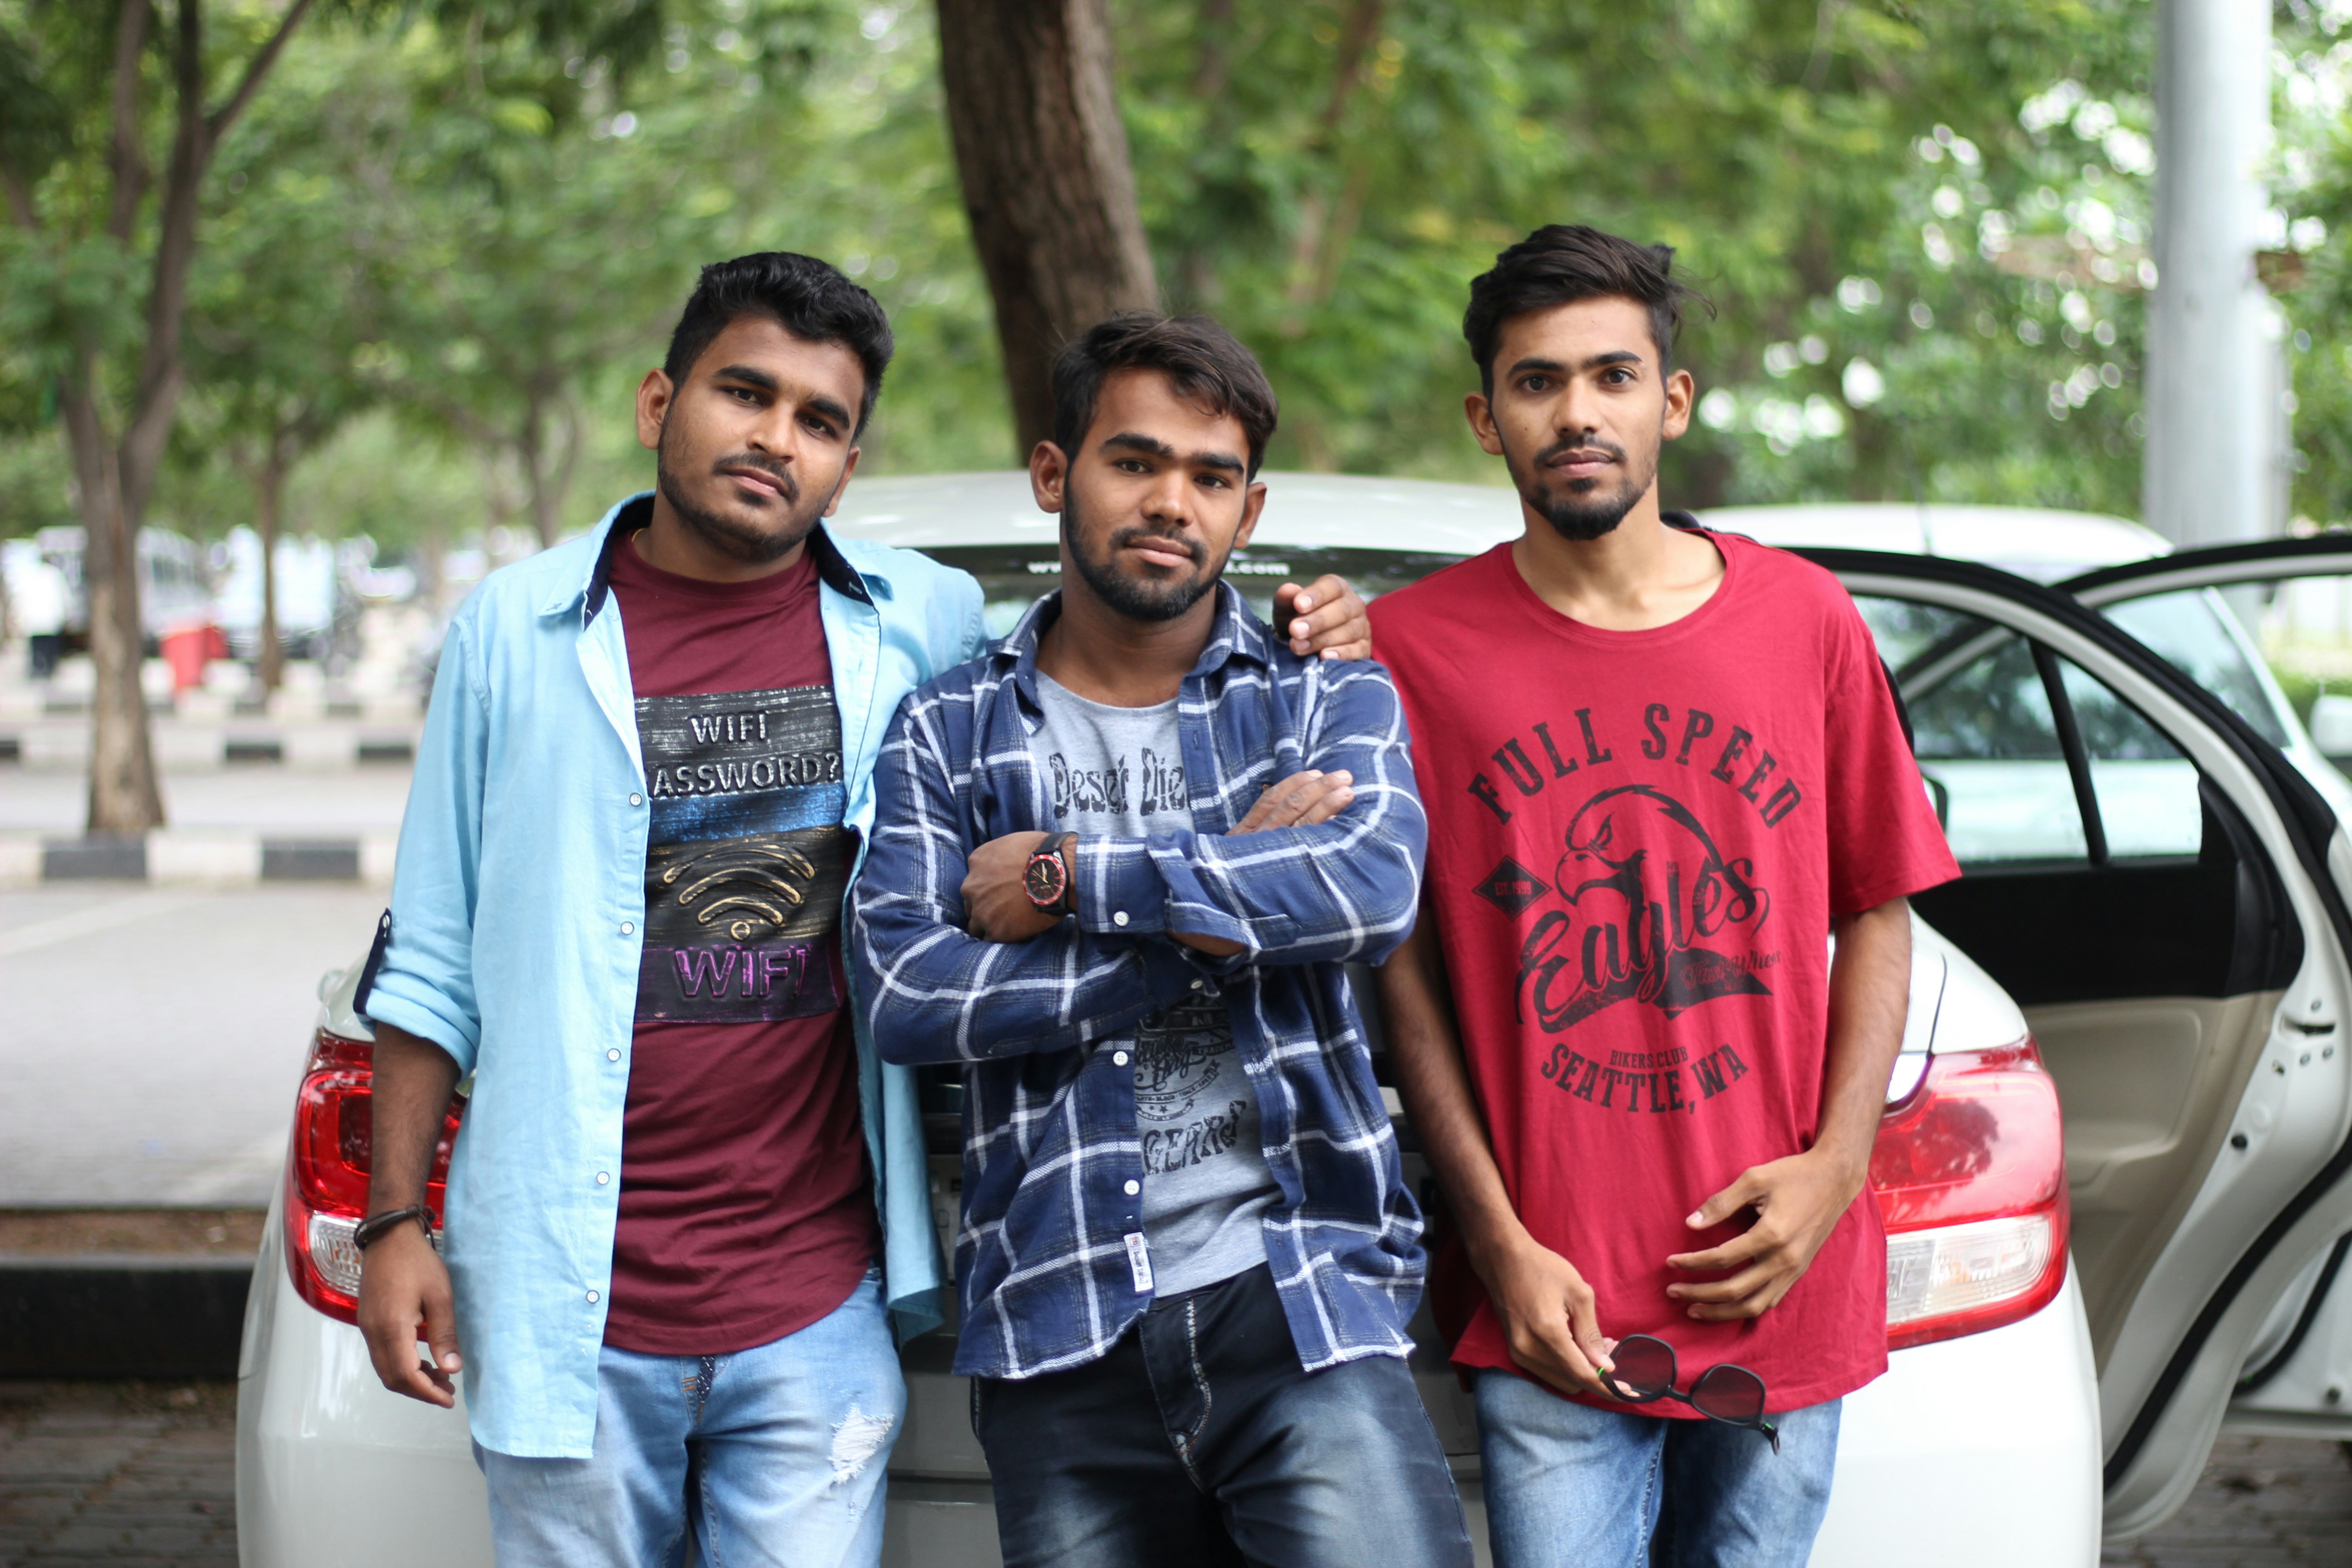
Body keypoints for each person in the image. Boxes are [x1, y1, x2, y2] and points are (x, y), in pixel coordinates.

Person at [350, 255, 1373, 1568]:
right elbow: (432, 956)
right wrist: (393, 1224)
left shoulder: (923, 621)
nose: (777, 438)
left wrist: (1309, 629)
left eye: (821, 422)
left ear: (848, 466)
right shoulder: (515, 629)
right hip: (566, 1298)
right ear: (660, 401)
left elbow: (1105, 657)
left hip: (814, 1304)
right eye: (746, 393)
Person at [1370, 225, 1959, 1568]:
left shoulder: (1806, 622)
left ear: (1671, 402)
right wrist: (1500, 1241)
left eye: (1612, 375)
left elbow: (1880, 904)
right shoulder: (1410, 655)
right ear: (1487, 416)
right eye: (1536, 383)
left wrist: (1837, 1169)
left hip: (1781, 1278)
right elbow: (1404, 985)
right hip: (1553, 1298)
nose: (1576, 412)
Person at [849, 312, 1472, 1568]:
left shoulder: (1321, 690)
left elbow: (1362, 890)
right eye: (1134, 461)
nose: (1171, 501)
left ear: (1249, 510)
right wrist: (1228, 914)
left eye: (1211, 475)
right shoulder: (948, 730)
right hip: (1056, 1316)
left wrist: (1068, 878)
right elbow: (909, 994)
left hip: (1300, 1294)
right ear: (1053, 475)